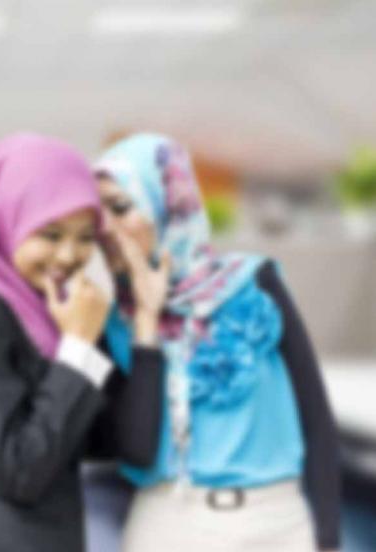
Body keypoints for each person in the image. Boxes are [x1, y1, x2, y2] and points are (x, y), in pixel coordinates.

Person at [0, 134, 164, 552]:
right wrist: (79, 349)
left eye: (85, 237)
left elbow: (132, 445)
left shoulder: (59, 312)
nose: (69, 256)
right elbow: (22, 468)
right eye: (49, 234)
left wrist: (146, 322)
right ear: (5, 219)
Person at [96, 132, 341, 552]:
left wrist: (328, 537)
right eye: (96, 214)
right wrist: (148, 326)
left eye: (120, 207)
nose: (106, 227)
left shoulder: (255, 283)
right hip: (170, 525)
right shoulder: (116, 322)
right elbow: (135, 450)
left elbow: (315, 417)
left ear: (166, 205)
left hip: (277, 523)